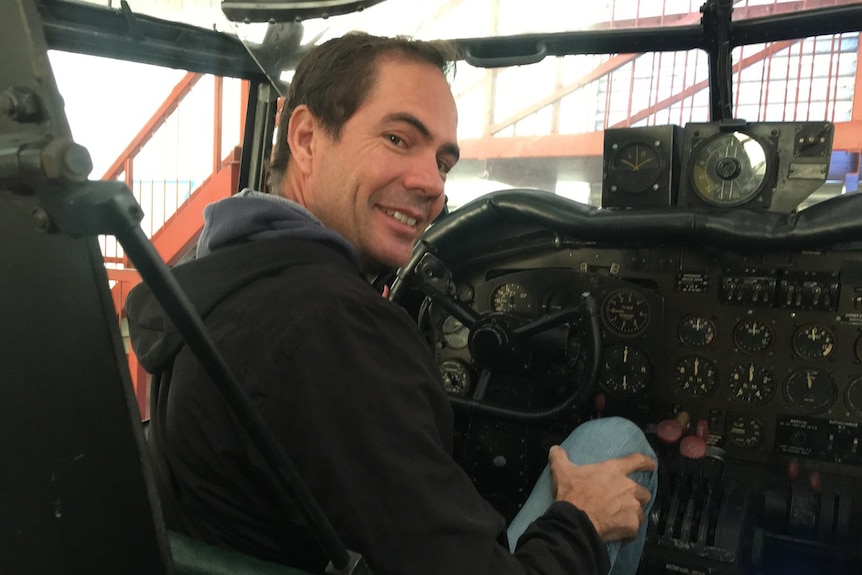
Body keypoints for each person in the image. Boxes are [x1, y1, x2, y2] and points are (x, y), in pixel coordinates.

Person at [126, 32, 657, 575]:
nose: (432, 184)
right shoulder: (335, 328)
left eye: (444, 163)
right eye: (399, 139)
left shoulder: (215, 279)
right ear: (307, 138)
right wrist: (582, 520)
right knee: (616, 443)